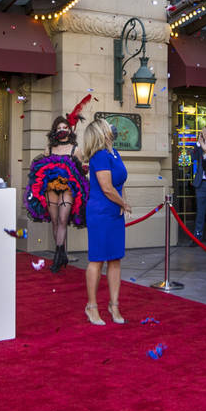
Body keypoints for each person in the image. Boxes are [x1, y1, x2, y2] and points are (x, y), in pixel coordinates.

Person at [26, 113, 89, 273]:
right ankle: (61, 254)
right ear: (54, 131)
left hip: (68, 189)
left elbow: (81, 172)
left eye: (65, 127)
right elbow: (40, 169)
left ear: (69, 130)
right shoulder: (49, 148)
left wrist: (83, 168)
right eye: (59, 128)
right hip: (50, 188)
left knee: (62, 219)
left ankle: (58, 256)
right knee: (54, 221)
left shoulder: (76, 149)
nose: (62, 130)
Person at [82, 117, 131, 325]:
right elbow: (107, 188)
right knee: (97, 259)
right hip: (101, 212)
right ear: (101, 132)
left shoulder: (114, 152)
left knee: (115, 258)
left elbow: (119, 183)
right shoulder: (100, 155)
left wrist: (122, 202)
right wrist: (125, 204)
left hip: (114, 212)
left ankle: (114, 305)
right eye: (107, 126)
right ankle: (92, 306)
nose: (112, 128)